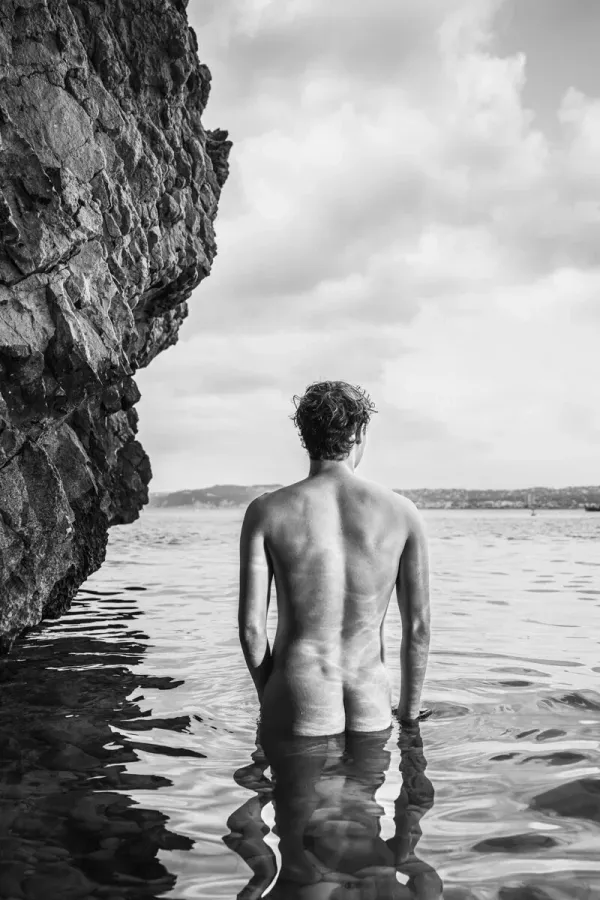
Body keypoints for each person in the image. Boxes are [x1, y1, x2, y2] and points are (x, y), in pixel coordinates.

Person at [238, 381, 431, 738]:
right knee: (367, 794)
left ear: (304, 437)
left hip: (298, 699)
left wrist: (274, 698)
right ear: (359, 432)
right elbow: (417, 630)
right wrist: (409, 717)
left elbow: (252, 630)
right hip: (371, 704)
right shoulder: (403, 514)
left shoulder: (266, 512)